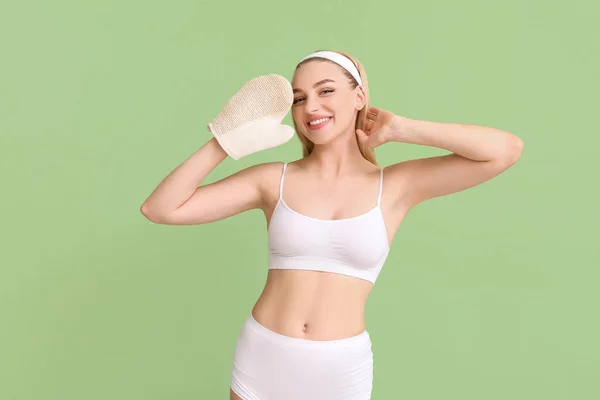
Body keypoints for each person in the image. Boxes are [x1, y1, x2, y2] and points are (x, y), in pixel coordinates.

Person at [140, 50, 524, 400]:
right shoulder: (273, 179)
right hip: (264, 356)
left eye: (326, 91)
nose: (312, 107)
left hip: (340, 368)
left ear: (359, 97)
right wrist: (226, 141)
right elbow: (160, 209)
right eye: (299, 98)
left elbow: (505, 151)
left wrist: (402, 128)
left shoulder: (394, 187)